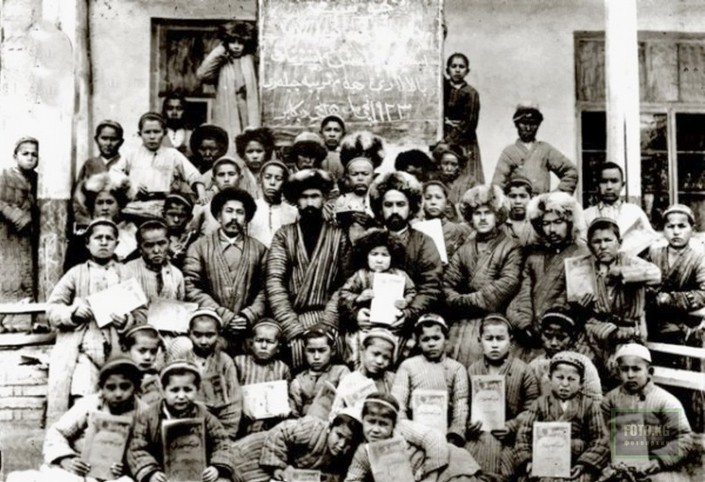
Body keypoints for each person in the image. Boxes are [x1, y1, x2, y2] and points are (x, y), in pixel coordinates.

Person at [46, 219, 137, 425]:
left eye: (109, 238)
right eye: (98, 238)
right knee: (83, 399)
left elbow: (140, 312)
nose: (103, 242)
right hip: (84, 349)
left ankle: (112, 439)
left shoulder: (125, 273)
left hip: (118, 350)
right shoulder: (75, 274)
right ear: (87, 243)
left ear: (116, 244)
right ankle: (82, 439)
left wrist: (126, 321)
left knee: (119, 399)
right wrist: (73, 313)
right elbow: (52, 309)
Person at [266, 169, 352, 368]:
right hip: (293, 316)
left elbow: (346, 283)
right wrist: (291, 326)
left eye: (315, 196)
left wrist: (329, 321)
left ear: (324, 199)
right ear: (296, 201)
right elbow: (274, 281)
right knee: (295, 350)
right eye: (304, 197)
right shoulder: (283, 235)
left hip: (328, 315)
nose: (310, 203)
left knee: (335, 349)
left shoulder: (339, 236)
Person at [443, 185, 522, 367]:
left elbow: (507, 283)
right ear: (471, 217)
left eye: (488, 213)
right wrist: (457, 300)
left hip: (496, 322)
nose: (483, 218)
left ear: (498, 215)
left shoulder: (512, 247)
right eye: (477, 213)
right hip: (463, 327)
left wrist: (464, 300)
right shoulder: (464, 249)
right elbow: (447, 284)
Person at [576, 218, 661, 383]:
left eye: (608, 240)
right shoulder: (584, 267)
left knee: (623, 374)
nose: (603, 246)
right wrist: (580, 304)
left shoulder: (632, 262)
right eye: (597, 242)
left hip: (628, 333)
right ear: (590, 246)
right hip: (595, 331)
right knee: (581, 369)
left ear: (619, 242)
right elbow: (576, 296)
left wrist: (622, 272)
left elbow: (656, 274)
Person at [183, 187, 267, 354]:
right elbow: (190, 286)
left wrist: (248, 315)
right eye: (229, 211)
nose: (234, 217)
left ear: (247, 218)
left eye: (240, 212)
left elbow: (267, 288)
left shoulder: (260, 250)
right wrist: (223, 315)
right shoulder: (198, 247)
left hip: (248, 332)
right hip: (211, 332)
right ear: (219, 216)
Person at [506, 191, 589, 360]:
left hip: (563, 333)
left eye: (558, 222)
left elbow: (574, 297)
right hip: (530, 334)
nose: (552, 229)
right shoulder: (533, 256)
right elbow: (523, 294)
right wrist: (524, 325)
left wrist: (549, 325)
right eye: (546, 223)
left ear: (570, 222)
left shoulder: (581, 254)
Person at [645, 204, 705, 431]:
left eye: (682, 226)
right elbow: (642, 282)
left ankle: (686, 431)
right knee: (653, 382)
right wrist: (651, 295)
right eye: (670, 227)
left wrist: (669, 299)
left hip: (684, 331)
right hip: (653, 327)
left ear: (692, 229)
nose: (676, 231)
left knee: (684, 388)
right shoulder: (654, 254)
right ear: (663, 230)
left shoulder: (698, 257)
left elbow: (703, 292)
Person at [366, 171, 443, 342]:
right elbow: (352, 281)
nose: (394, 210)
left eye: (400, 204)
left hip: (412, 326)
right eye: (388, 205)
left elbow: (430, 287)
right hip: (370, 325)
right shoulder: (367, 241)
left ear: (411, 207)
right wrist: (358, 312)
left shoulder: (424, 242)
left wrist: (408, 313)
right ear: (380, 208)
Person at [126, 361, 234, 482]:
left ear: (197, 390)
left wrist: (216, 467)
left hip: (199, 474)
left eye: (187, 390)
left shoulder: (205, 416)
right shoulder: (148, 417)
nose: (181, 396)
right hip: (162, 475)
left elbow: (221, 441)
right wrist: (151, 472)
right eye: (174, 390)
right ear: (163, 390)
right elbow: (137, 446)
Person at [601, 344, 693, 482]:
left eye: (636, 369)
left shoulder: (665, 401)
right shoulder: (610, 400)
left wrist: (658, 460)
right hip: (619, 464)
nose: (630, 375)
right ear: (618, 372)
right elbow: (602, 435)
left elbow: (684, 438)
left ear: (650, 371)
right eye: (624, 369)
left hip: (658, 467)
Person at [42, 357, 144, 482]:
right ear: (102, 388)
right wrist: (67, 460)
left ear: (136, 387)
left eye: (125, 387)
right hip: (79, 467)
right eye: (111, 387)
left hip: (117, 474)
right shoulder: (89, 405)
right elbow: (57, 432)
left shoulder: (144, 413)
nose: (118, 394)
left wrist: (127, 468)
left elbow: (146, 451)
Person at [345, 393, 484, 482]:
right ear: (363, 420)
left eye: (383, 424)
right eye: (371, 422)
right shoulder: (363, 451)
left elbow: (435, 438)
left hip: (448, 465)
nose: (375, 429)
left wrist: (430, 476)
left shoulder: (403, 428)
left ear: (393, 424)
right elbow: (353, 478)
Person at [465, 314, 539, 481]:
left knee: (510, 472)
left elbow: (532, 408)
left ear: (510, 342)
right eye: (489, 339)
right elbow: (464, 404)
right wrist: (469, 424)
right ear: (480, 341)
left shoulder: (523, 371)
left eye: (500, 339)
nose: (494, 344)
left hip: (509, 441)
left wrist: (512, 426)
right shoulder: (472, 370)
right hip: (478, 438)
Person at [515, 353, 609, 482]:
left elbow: (600, 438)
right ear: (550, 378)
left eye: (571, 379)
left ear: (581, 383)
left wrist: (583, 464)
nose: (565, 384)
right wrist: (529, 461)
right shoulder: (539, 404)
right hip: (543, 462)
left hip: (575, 464)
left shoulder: (589, 405)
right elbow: (523, 435)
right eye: (559, 378)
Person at [338, 228, 416, 365]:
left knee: (394, 349)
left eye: (384, 255)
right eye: (374, 254)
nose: (379, 259)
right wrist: (359, 297)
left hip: (392, 325)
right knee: (358, 346)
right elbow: (344, 294)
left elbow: (411, 291)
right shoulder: (360, 275)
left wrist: (405, 301)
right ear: (366, 256)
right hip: (366, 325)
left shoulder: (400, 275)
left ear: (392, 257)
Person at [391, 314, 469, 447]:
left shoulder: (456, 369)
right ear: (418, 342)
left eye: (436, 338)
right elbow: (398, 402)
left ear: (446, 339)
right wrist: (407, 431)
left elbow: (460, 405)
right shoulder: (408, 366)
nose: (431, 344)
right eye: (425, 339)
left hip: (445, 436)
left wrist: (454, 435)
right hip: (413, 435)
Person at [167, 309, 243, 439]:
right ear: (189, 333)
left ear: (219, 335)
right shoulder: (180, 360)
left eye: (209, 335)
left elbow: (233, 403)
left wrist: (225, 435)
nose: (203, 341)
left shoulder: (225, 362)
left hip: (216, 430)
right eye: (197, 335)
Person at [231, 413, 364, 482]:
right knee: (233, 470)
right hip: (258, 450)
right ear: (330, 428)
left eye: (348, 442)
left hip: (283, 467)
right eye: (339, 435)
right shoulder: (312, 427)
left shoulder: (344, 456)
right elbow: (280, 432)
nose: (341, 445)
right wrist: (278, 467)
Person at [110, 112, 206, 204]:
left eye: (156, 132)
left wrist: (202, 194)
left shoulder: (172, 154)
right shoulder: (132, 154)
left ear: (164, 133)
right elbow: (113, 173)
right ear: (140, 134)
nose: (152, 136)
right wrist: (132, 184)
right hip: (135, 204)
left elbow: (193, 174)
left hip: (164, 205)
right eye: (147, 132)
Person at [492, 102, 578, 194]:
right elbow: (497, 185)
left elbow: (571, 172)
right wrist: (508, 199)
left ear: (538, 125)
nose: (528, 128)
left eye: (533, 124)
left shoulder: (545, 150)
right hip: (518, 202)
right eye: (524, 123)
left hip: (540, 202)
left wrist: (554, 197)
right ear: (516, 124)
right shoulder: (509, 152)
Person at [197, 20, 260, 142]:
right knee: (229, 139)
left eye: (240, 42)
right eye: (232, 42)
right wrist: (221, 49)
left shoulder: (250, 59)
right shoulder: (222, 61)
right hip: (228, 107)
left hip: (247, 108)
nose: (236, 46)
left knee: (249, 140)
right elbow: (202, 75)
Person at [0, 136, 38, 333]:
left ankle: (19, 323)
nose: (30, 158)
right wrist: (13, 214)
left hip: (26, 236)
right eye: (25, 154)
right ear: (15, 156)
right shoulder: (5, 175)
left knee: (25, 277)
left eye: (34, 154)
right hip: (6, 235)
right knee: (8, 275)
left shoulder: (36, 178)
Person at [583, 162, 657, 256]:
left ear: (622, 185)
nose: (609, 187)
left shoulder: (634, 212)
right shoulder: (586, 215)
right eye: (604, 181)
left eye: (614, 181)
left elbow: (651, 239)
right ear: (597, 185)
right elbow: (582, 246)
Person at [233, 320, 292, 436]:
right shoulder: (239, 363)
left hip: (271, 425)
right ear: (251, 343)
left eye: (270, 342)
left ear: (278, 346)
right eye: (259, 341)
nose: (264, 346)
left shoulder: (282, 368)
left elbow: (286, 400)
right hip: (241, 422)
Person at [528, 311, 602, 402]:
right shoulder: (534, 365)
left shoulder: (584, 364)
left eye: (561, 337)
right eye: (548, 336)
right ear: (541, 335)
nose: (553, 343)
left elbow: (594, 400)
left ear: (572, 339)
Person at [328, 329, 397, 421]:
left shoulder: (392, 380)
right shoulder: (349, 381)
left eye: (386, 357)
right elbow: (335, 414)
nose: (379, 361)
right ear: (363, 350)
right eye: (375, 354)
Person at [125, 220, 185, 325]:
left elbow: (180, 309)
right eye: (149, 245)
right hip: (137, 329)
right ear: (140, 248)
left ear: (169, 244)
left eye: (162, 243)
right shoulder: (127, 271)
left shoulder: (177, 274)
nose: (156, 250)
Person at [289, 327, 350, 418]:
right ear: (304, 351)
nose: (316, 357)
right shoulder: (299, 380)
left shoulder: (341, 372)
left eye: (322, 350)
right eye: (311, 351)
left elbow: (348, 402)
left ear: (332, 350)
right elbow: (294, 413)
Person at [72, 121, 124, 229]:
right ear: (96, 139)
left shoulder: (125, 163)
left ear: (121, 141)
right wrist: (85, 222)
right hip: (93, 221)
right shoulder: (90, 164)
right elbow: (79, 197)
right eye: (104, 138)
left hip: (121, 222)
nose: (108, 143)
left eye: (113, 139)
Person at [443, 53, 482, 184]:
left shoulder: (471, 93)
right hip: (443, 134)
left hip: (465, 140)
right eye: (454, 66)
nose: (457, 70)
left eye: (461, 67)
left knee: (466, 177)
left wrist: (448, 141)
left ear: (467, 71)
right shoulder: (442, 89)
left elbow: (470, 123)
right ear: (447, 70)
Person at [248, 159, 297, 248]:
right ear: (260, 181)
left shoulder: (293, 213)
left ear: (285, 183)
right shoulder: (250, 208)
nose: (272, 182)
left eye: (278, 179)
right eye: (267, 177)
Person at [190, 156, 243, 236]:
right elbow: (190, 234)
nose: (226, 179)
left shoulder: (247, 205)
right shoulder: (204, 205)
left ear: (240, 178)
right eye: (221, 175)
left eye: (231, 174)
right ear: (214, 180)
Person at [420, 180, 472, 260]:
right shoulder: (416, 230)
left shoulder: (459, 230)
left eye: (438, 197)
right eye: (428, 198)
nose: (433, 202)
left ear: (446, 201)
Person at [430, 142, 476, 219]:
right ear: (439, 165)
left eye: (453, 164)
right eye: (445, 164)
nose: (449, 168)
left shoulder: (470, 181)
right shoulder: (434, 182)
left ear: (459, 166)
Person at [122, 325, 164, 406]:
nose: (148, 357)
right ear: (126, 350)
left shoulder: (155, 381)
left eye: (153, 352)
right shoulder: (117, 378)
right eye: (142, 351)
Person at [234, 126, 276, 197]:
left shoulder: (274, 174)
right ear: (243, 154)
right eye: (250, 152)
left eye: (259, 151)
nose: (255, 156)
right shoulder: (237, 176)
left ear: (266, 153)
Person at [161, 194, 198, 269]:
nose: (176, 220)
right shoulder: (154, 237)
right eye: (171, 214)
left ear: (189, 218)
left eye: (181, 216)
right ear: (163, 215)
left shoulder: (194, 239)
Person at [502, 174, 537, 247]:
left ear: (531, 198)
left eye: (523, 196)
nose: (518, 201)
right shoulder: (499, 225)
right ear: (505, 198)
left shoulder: (537, 224)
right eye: (513, 196)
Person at [320, 115, 346, 182]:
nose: (332, 134)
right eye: (328, 130)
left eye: (337, 130)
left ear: (343, 134)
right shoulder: (314, 157)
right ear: (321, 133)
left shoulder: (347, 156)